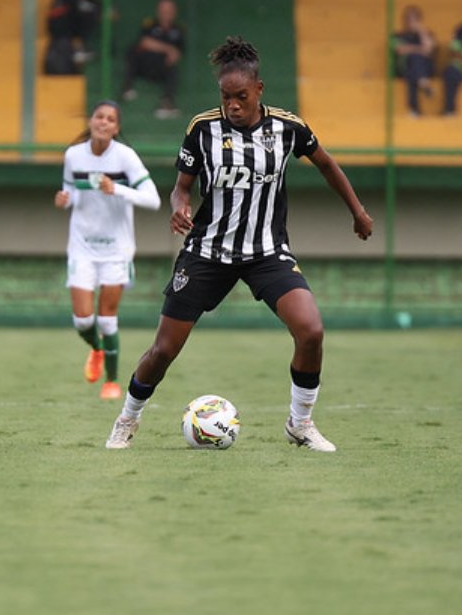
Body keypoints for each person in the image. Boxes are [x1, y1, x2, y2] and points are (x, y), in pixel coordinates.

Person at [104, 36, 375, 452]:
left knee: (311, 330)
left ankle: (300, 423)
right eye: (226, 96)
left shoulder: (288, 128)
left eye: (241, 96)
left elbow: (326, 164)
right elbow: (181, 189)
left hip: (267, 252)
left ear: (259, 90)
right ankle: (127, 418)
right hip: (208, 252)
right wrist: (180, 207)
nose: (232, 104)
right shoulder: (202, 129)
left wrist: (357, 211)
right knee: (164, 349)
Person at [55, 101, 161, 400]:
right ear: (91, 121)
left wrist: (118, 189)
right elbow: (72, 191)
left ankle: (112, 382)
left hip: (117, 249)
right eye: (99, 116)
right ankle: (98, 350)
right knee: (83, 320)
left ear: (116, 127)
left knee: (107, 319)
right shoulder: (73, 155)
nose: (103, 122)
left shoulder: (125, 157)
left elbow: (152, 200)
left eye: (110, 119)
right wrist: (66, 199)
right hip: (82, 247)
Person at [119, 0, 185, 119]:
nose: (166, 13)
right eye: (163, 10)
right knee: (133, 52)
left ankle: (166, 103)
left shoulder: (178, 30)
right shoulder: (149, 24)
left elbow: (177, 53)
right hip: (144, 64)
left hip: (161, 67)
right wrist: (168, 49)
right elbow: (145, 42)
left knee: (173, 71)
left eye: (169, 10)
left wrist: (170, 52)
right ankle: (127, 88)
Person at [44, 0, 101, 75]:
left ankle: (80, 51)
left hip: (81, 38)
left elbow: (103, 14)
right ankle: (77, 52)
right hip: (62, 37)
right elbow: (54, 19)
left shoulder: (94, 2)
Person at [390, 4, 437, 116]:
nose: (411, 22)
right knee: (413, 62)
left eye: (414, 19)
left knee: (413, 72)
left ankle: (414, 110)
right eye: (408, 18)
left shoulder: (428, 34)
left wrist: (421, 31)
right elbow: (400, 50)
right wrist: (419, 49)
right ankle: (423, 83)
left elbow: (429, 49)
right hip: (404, 66)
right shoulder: (397, 36)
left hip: (426, 68)